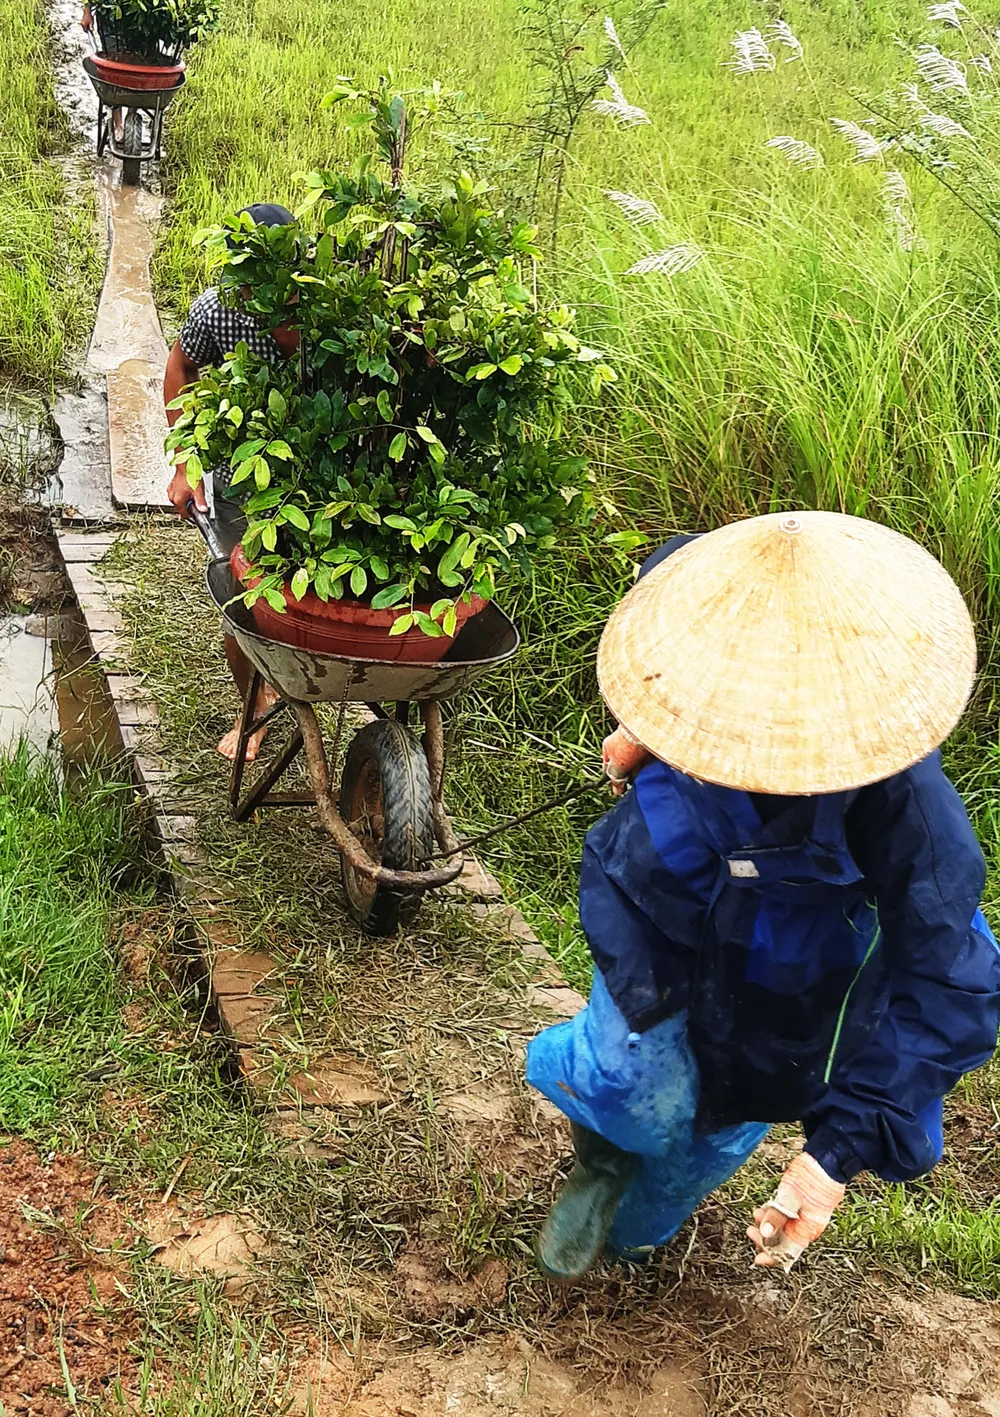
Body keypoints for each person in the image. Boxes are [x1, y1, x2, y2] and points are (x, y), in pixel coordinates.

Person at [527, 511, 1000, 1280]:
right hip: (667, 900)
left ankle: (642, 1229)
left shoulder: (909, 816)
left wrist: (832, 1156)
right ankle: (601, 1154)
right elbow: (666, 605)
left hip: (788, 977)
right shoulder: (711, 597)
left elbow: (955, 985)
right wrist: (643, 729)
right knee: (625, 1077)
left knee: (709, 1132)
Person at [164, 202, 298, 762]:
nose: (260, 297)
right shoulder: (221, 309)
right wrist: (186, 461)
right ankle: (256, 707)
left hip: (325, 479)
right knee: (243, 606)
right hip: (247, 474)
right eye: (244, 278)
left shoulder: (333, 315)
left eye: (275, 281)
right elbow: (181, 369)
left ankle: (300, 678)